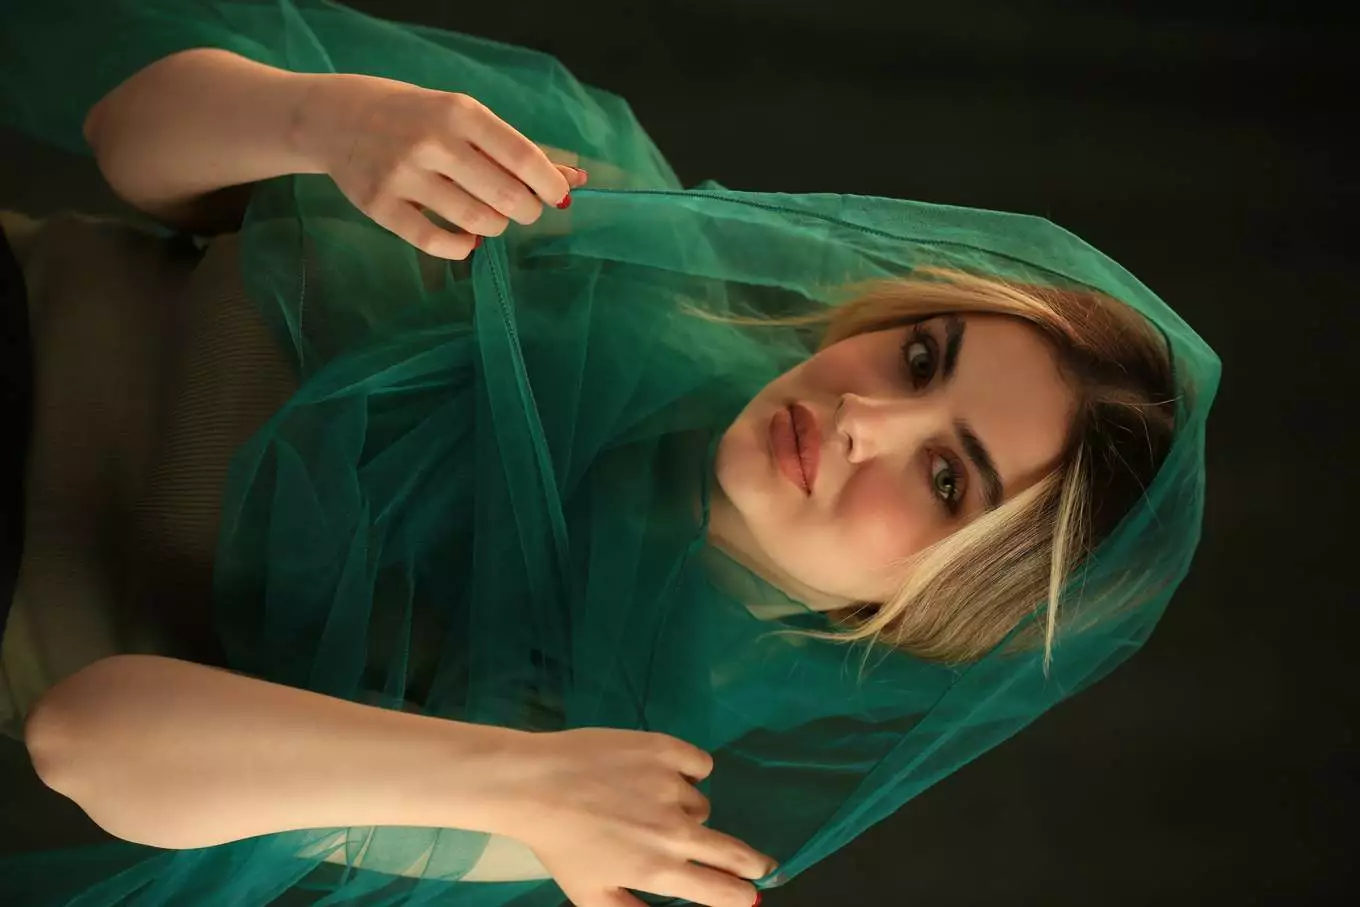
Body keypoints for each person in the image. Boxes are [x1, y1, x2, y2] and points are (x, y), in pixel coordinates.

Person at [0, 3, 1220, 907]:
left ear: (940, 609)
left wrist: (510, 786)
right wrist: (326, 119)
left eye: (947, 479)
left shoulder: (597, 766)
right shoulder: (599, 216)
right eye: (918, 357)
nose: (866, 418)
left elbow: (83, 738)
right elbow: (127, 133)